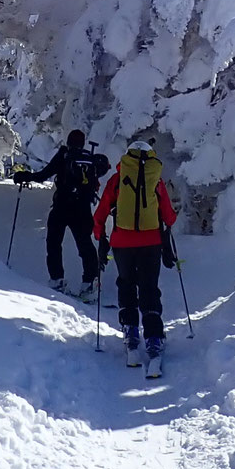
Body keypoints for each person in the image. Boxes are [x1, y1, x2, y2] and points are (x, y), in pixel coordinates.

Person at [92, 141, 179, 376]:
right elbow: (169, 216)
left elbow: (101, 212)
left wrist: (101, 237)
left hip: (122, 243)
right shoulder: (156, 179)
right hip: (151, 243)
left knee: (127, 284)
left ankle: (131, 335)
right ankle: (153, 338)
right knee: (149, 288)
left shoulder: (117, 179)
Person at [15, 130, 107, 296]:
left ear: (69, 141)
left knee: (54, 243)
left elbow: (44, 175)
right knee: (85, 244)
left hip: (61, 207)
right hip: (83, 209)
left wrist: (25, 177)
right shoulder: (89, 159)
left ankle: (57, 280)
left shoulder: (64, 156)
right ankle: (90, 282)